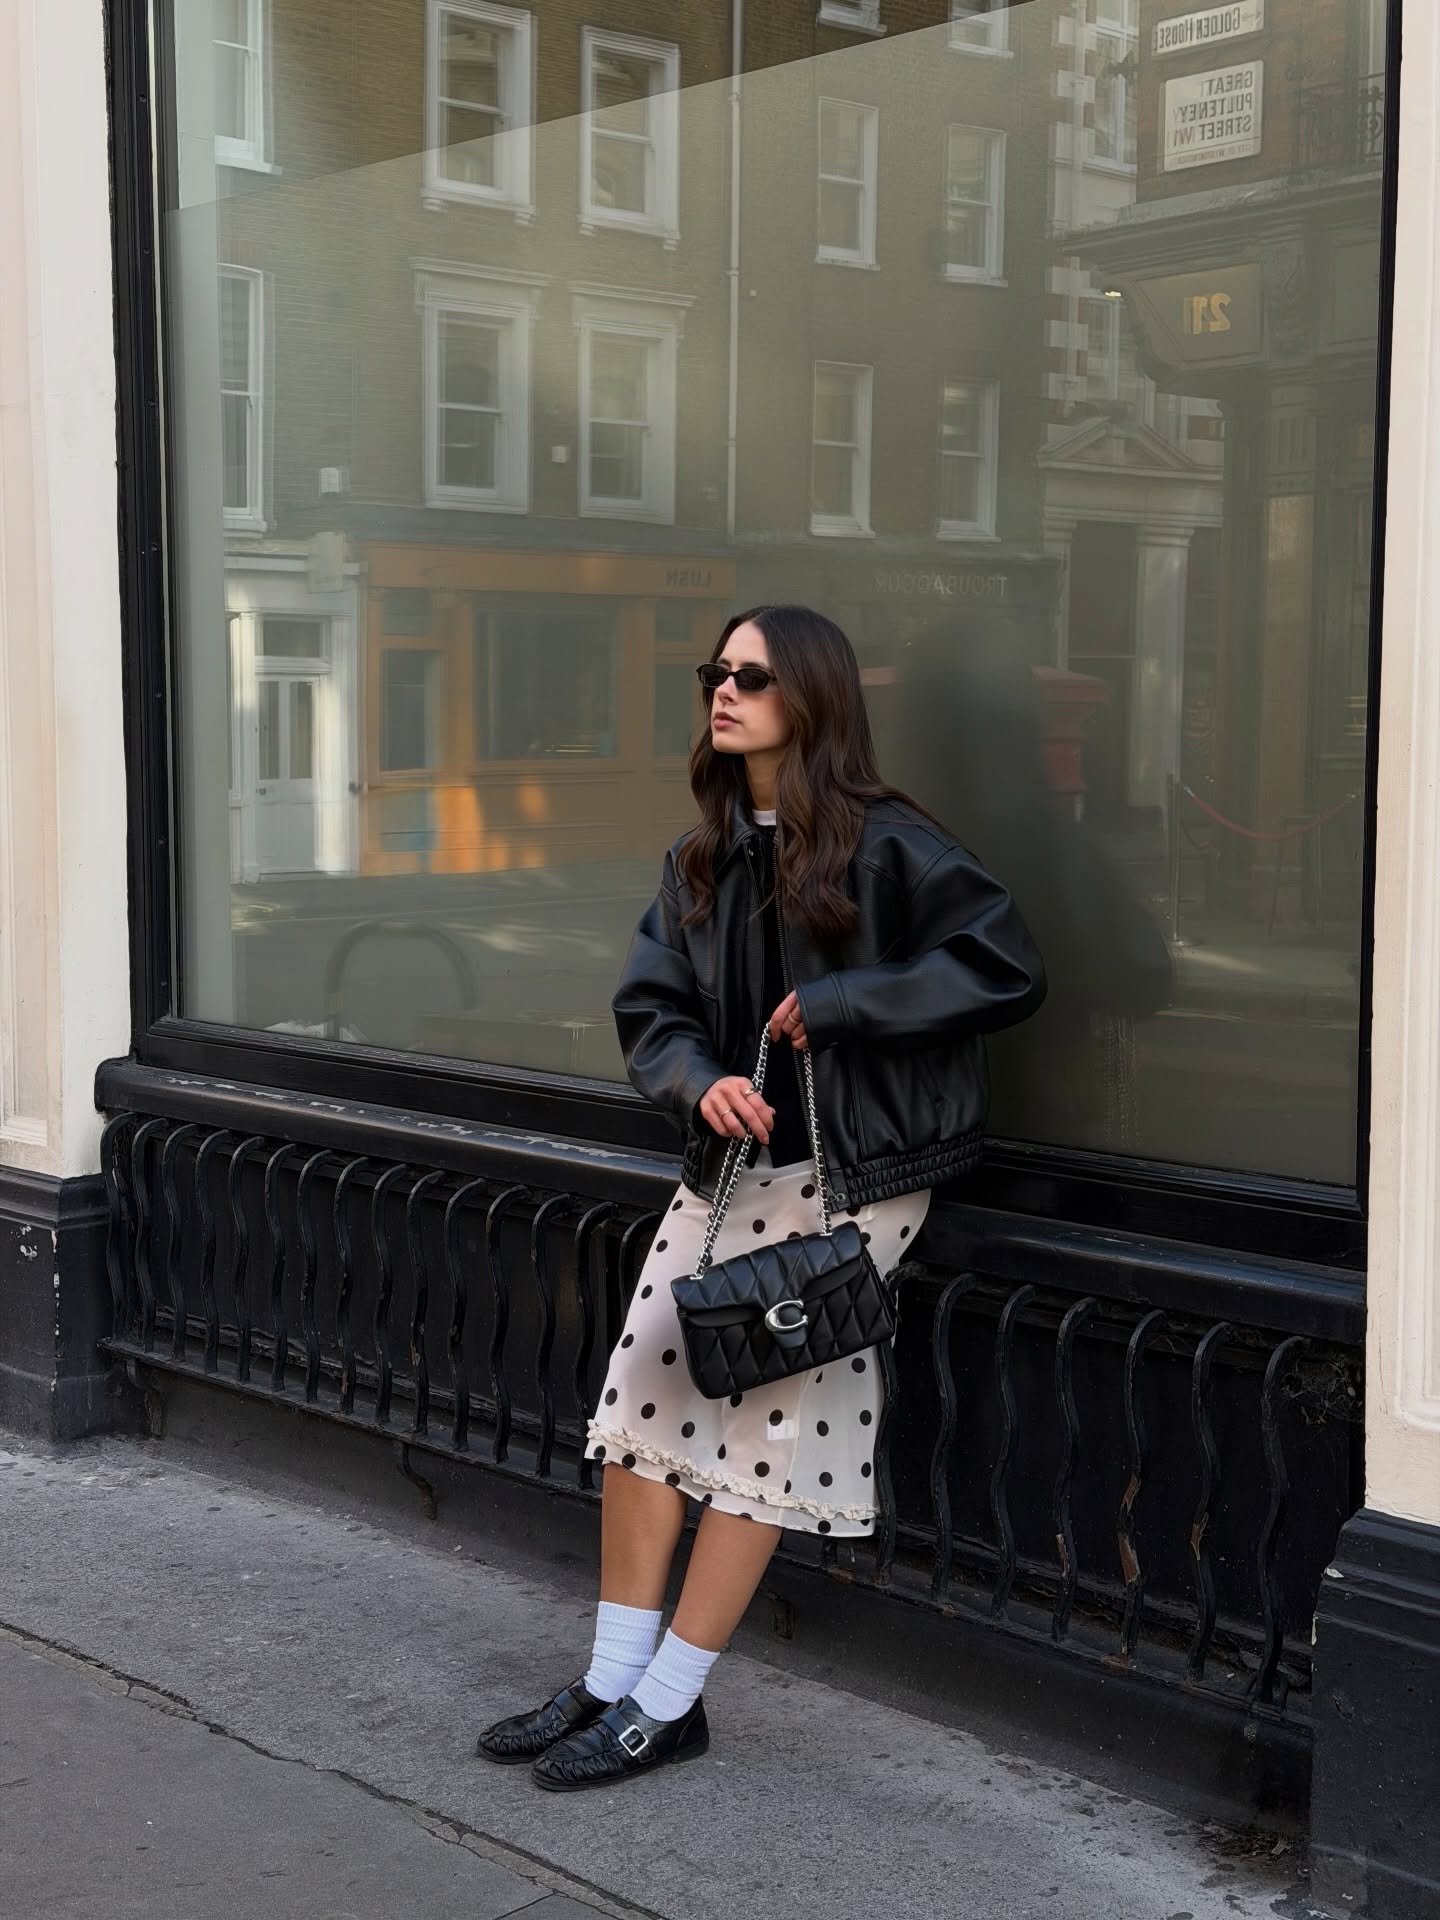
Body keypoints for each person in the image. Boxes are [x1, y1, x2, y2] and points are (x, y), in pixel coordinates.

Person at [475, 604, 1045, 1792]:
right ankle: (611, 1677)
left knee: (766, 1435)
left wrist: (844, 1009)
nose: (723, 692)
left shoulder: (894, 847)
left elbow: (1005, 965)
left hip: (859, 1184)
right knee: (639, 1403)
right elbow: (653, 1010)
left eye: (752, 676)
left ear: (812, 701)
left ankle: (671, 1703)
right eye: (716, 673)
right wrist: (702, 1084)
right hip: (733, 1169)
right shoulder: (703, 858)